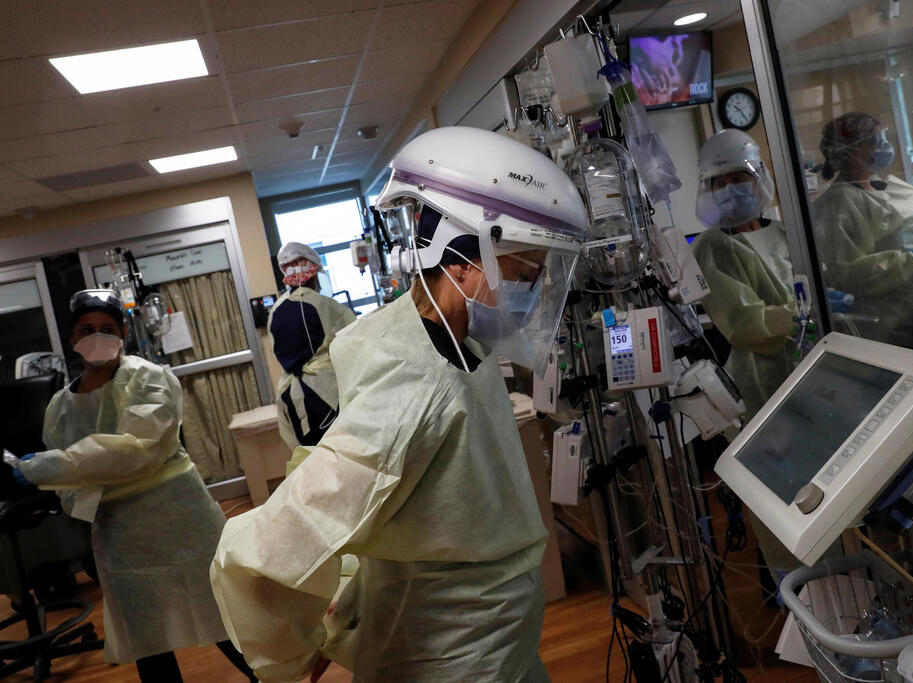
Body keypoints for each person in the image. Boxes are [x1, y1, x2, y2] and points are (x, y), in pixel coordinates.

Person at [210, 126, 588, 682]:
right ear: (460, 260)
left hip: (493, 633)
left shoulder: (460, 345)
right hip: (454, 656)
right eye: (525, 274)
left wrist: (350, 606)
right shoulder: (413, 380)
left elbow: (402, 509)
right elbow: (292, 532)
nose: (533, 292)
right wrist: (298, 635)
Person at [11, 290, 256, 682]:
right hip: (122, 538)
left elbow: (135, 451)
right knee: (148, 640)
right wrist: (66, 487)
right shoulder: (59, 408)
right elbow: (72, 486)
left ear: (122, 334)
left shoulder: (149, 379)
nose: (97, 337)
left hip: (180, 520)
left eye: (107, 329)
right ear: (72, 338)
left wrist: (47, 468)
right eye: (87, 330)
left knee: (223, 618)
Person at [812, 111, 913, 347]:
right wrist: (912, 259)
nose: (883, 144)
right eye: (874, 140)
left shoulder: (876, 189)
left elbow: (901, 241)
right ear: (851, 152)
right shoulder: (840, 204)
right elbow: (848, 274)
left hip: (908, 310)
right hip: (881, 325)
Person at [692, 129, 799, 420]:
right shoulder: (712, 246)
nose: (729, 189)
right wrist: (804, 313)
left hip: (812, 359)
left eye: (738, 179)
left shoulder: (785, 230)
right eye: (720, 183)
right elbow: (746, 325)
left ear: (758, 181)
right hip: (763, 381)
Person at [270, 242, 357, 450]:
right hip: (326, 391)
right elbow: (355, 340)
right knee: (343, 452)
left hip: (291, 396)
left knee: (313, 456)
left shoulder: (276, 309)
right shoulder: (323, 305)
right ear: (313, 274)